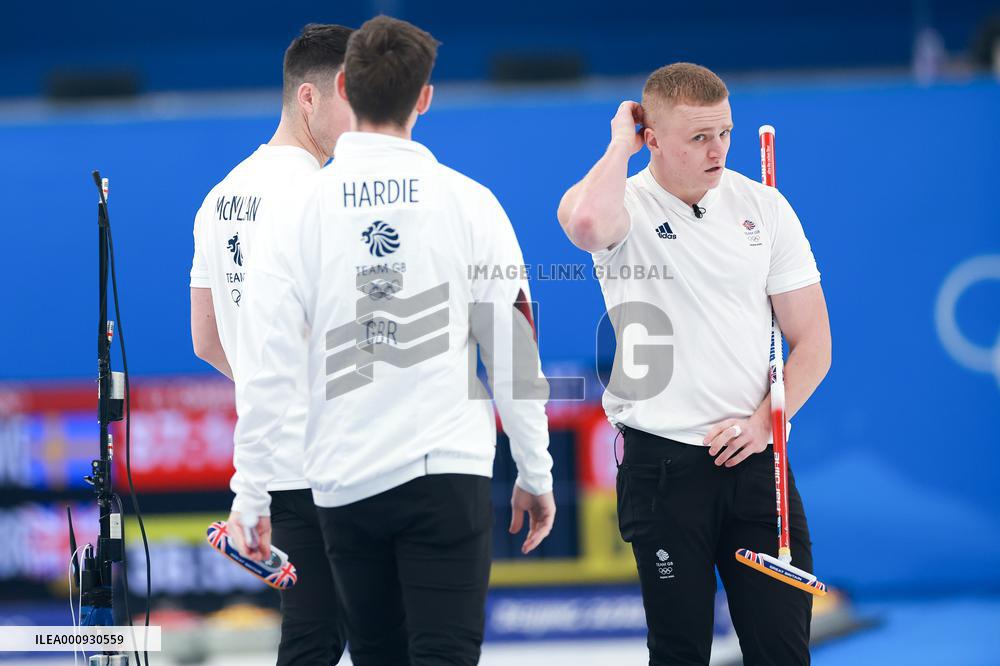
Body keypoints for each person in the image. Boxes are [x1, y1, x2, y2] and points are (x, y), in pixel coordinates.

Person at [228, 15, 557, 666]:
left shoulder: (294, 213)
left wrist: (251, 493)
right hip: (446, 473)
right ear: (425, 96)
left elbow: (267, 366)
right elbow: (514, 350)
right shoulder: (471, 203)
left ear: (344, 85)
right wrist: (535, 469)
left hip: (344, 481)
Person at [557, 63, 831, 665]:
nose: (719, 150)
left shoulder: (764, 206)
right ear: (650, 137)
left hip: (758, 463)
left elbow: (811, 342)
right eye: (699, 138)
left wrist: (765, 424)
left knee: (783, 650)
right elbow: (582, 226)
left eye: (725, 133)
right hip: (663, 469)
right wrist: (617, 145)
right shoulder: (618, 202)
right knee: (680, 651)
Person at [189, 23, 353, 666]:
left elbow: (206, 337)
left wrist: (271, 393)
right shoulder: (327, 195)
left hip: (276, 461)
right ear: (308, 97)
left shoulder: (218, 198)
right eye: (353, 99)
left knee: (312, 637)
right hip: (342, 458)